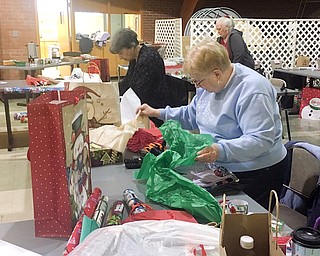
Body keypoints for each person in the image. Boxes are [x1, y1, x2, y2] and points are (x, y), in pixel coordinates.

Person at [137, 39, 288, 210]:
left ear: (217, 74)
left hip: (257, 171)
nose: (197, 86)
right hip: (223, 164)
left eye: (198, 82)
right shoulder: (209, 84)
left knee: (239, 225)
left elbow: (260, 140)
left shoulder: (253, 90)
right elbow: (193, 114)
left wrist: (219, 150)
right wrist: (158, 113)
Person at [109, 28, 169, 127]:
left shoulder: (148, 58)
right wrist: (111, 91)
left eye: (121, 53)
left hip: (153, 110)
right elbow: (127, 82)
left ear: (131, 46)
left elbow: (137, 90)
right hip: (143, 106)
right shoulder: (135, 58)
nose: (120, 57)